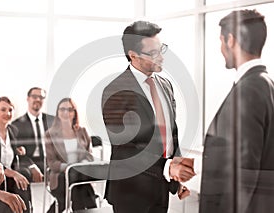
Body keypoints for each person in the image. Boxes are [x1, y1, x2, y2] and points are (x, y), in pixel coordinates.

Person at [101, 20, 195, 213]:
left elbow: (170, 134)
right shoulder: (116, 91)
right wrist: (168, 168)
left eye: (161, 49)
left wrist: (176, 176)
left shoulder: (165, 86)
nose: (161, 57)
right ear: (133, 55)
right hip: (131, 190)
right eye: (153, 53)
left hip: (161, 186)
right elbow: (126, 150)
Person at [199, 9, 274, 213]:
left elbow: (243, 175)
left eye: (221, 41)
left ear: (230, 40)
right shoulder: (266, 84)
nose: (221, 48)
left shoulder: (248, 90)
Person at [45, 98, 97, 213]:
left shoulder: (82, 131)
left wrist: (80, 167)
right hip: (60, 177)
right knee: (79, 185)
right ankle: (92, 207)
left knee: (77, 183)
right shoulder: (50, 134)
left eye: (70, 110)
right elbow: (52, 163)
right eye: (62, 109)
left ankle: (79, 209)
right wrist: (70, 168)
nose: (66, 113)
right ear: (57, 112)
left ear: (74, 113)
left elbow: (89, 157)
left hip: (81, 175)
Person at [12, 87, 54, 182]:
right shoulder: (16, 125)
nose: (38, 99)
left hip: (51, 161)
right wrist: (31, 166)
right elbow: (17, 150)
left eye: (41, 97)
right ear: (28, 99)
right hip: (30, 161)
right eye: (34, 96)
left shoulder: (53, 121)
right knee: (24, 173)